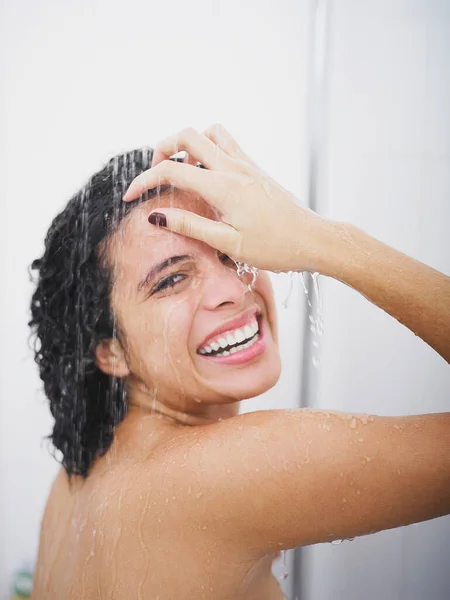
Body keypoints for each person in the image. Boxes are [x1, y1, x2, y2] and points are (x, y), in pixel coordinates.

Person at [30, 125, 450, 600]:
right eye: (170, 281)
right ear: (110, 350)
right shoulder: (224, 472)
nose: (234, 290)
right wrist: (320, 238)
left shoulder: (76, 481)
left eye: (233, 252)